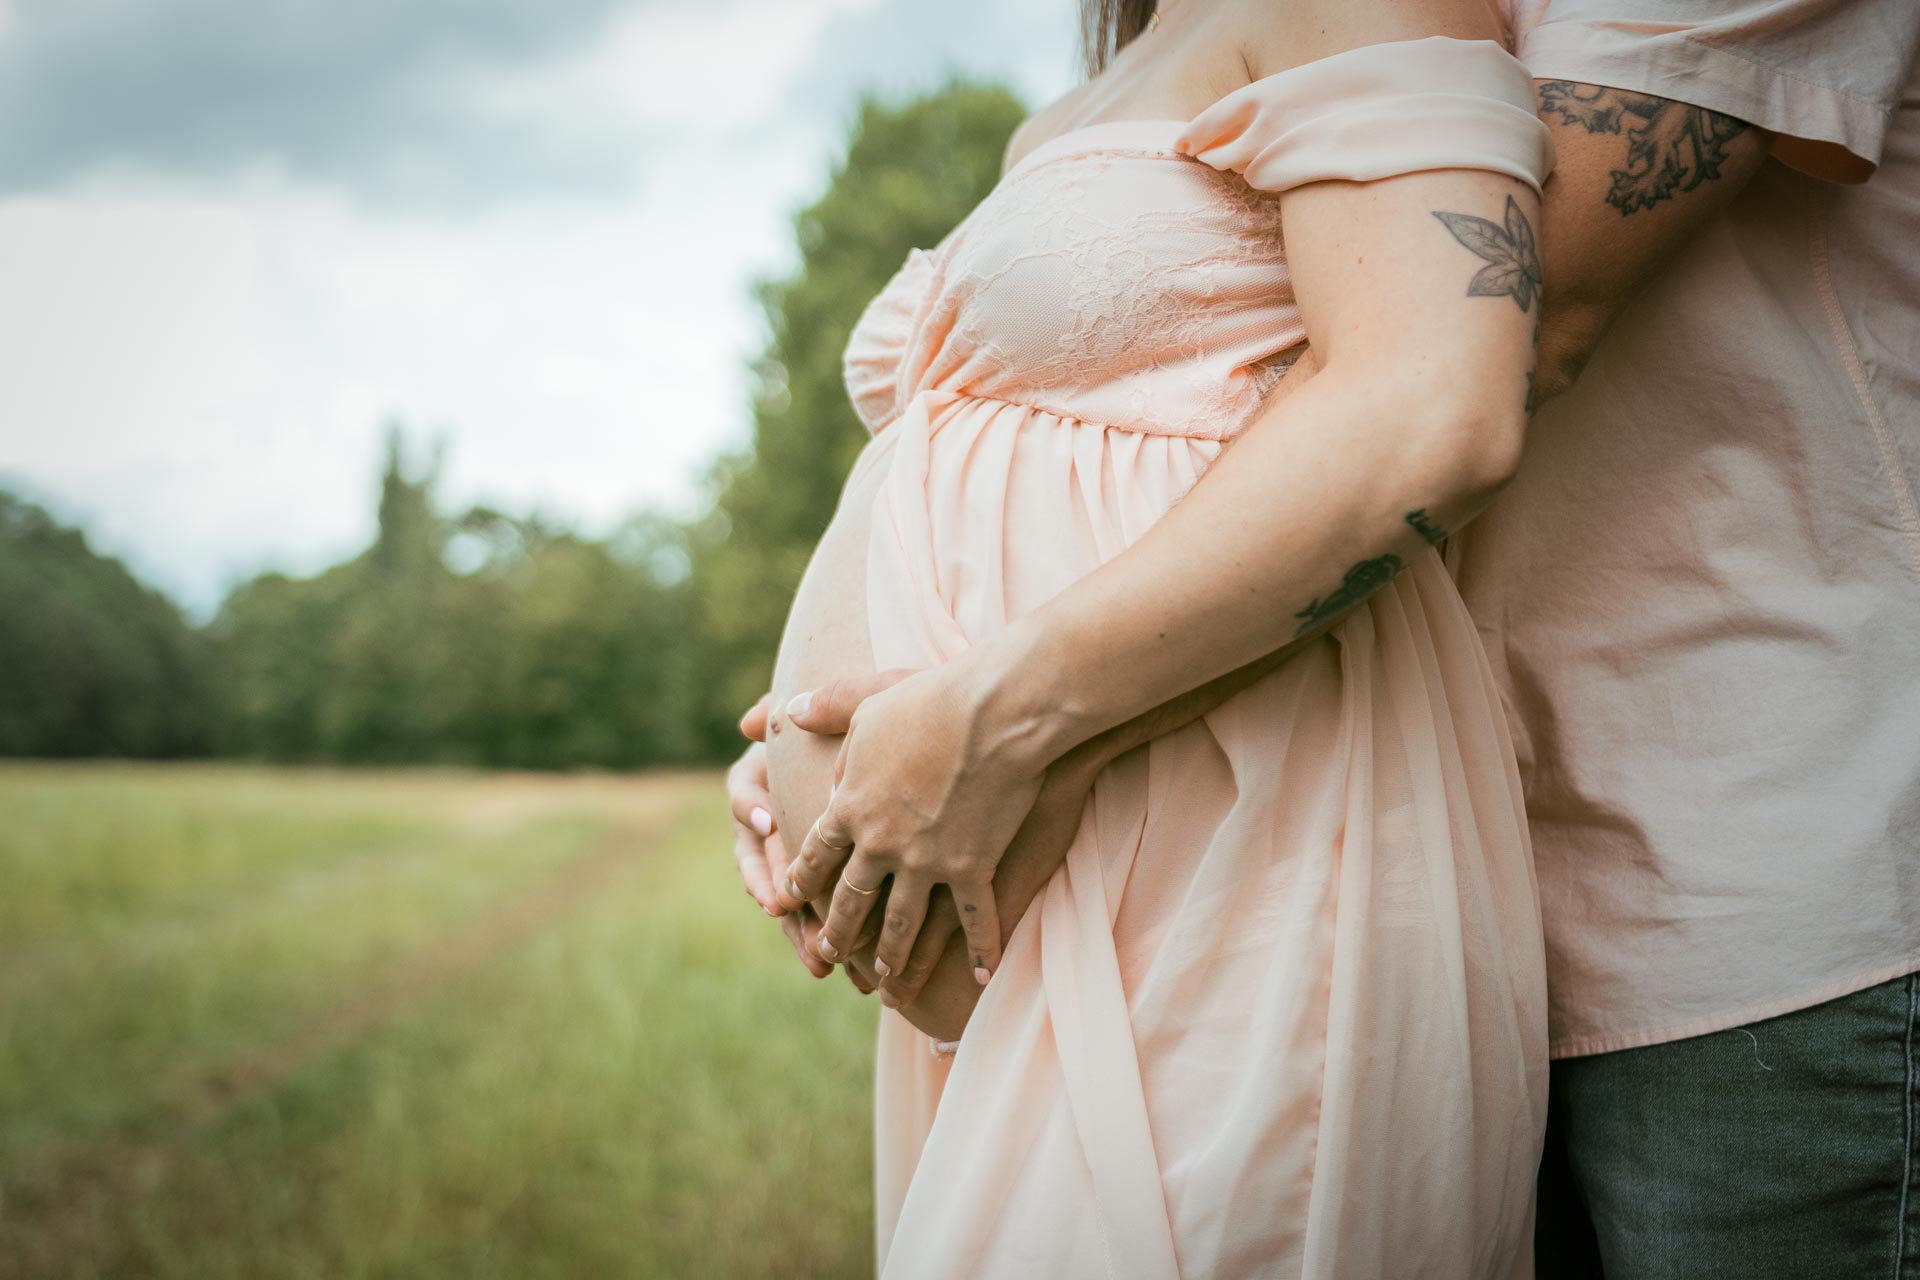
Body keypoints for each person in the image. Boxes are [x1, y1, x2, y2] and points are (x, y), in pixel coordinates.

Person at [734, 0, 1920, 1274]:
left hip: (1711, 861)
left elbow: (1478, 349)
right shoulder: (1132, 72)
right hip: (1298, 846)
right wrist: (852, 729)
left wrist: (1000, 719)